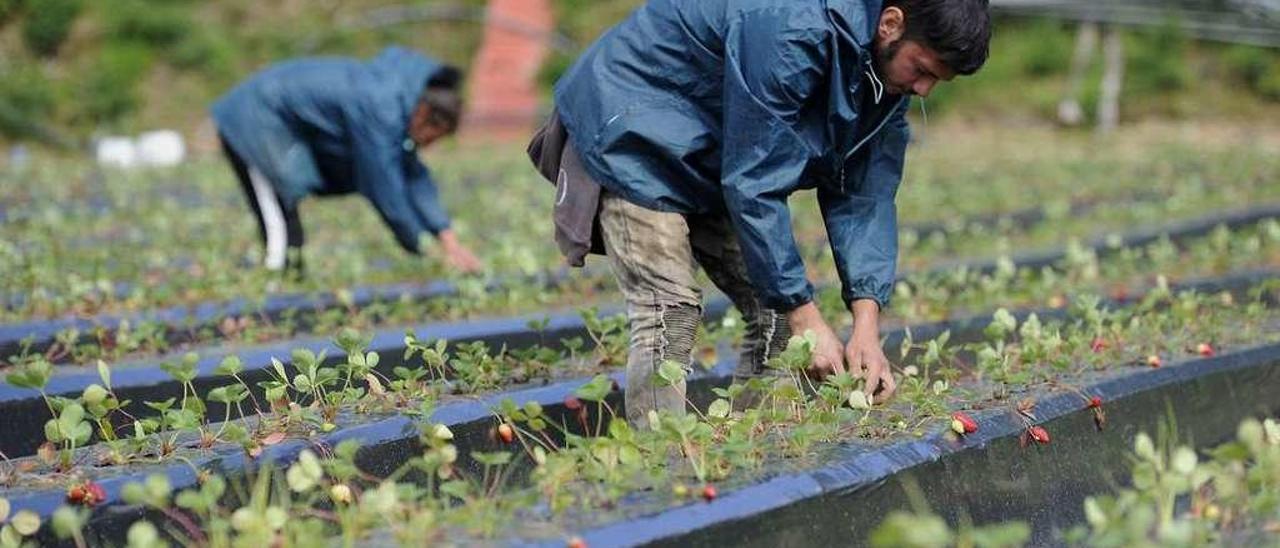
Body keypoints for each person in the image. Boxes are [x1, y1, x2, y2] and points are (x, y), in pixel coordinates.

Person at [529, 0, 991, 426]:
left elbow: (865, 197)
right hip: (631, 125)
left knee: (775, 313)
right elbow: (755, 180)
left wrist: (866, 327)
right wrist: (806, 316)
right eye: (923, 69)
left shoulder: (885, 82)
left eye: (938, 80)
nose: (924, 89)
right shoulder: (793, 27)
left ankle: (754, 442)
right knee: (670, 309)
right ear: (891, 24)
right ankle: (661, 465)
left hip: (706, 151)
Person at [212, 46, 482, 276]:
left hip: (277, 122)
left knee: (286, 222)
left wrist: (448, 239)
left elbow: (412, 174)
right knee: (278, 220)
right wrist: (426, 250)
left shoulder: (398, 103)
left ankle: (287, 278)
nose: (429, 145)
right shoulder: (381, 106)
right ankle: (272, 288)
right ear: (424, 115)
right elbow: (384, 186)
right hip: (254, 118)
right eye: (432, 137)